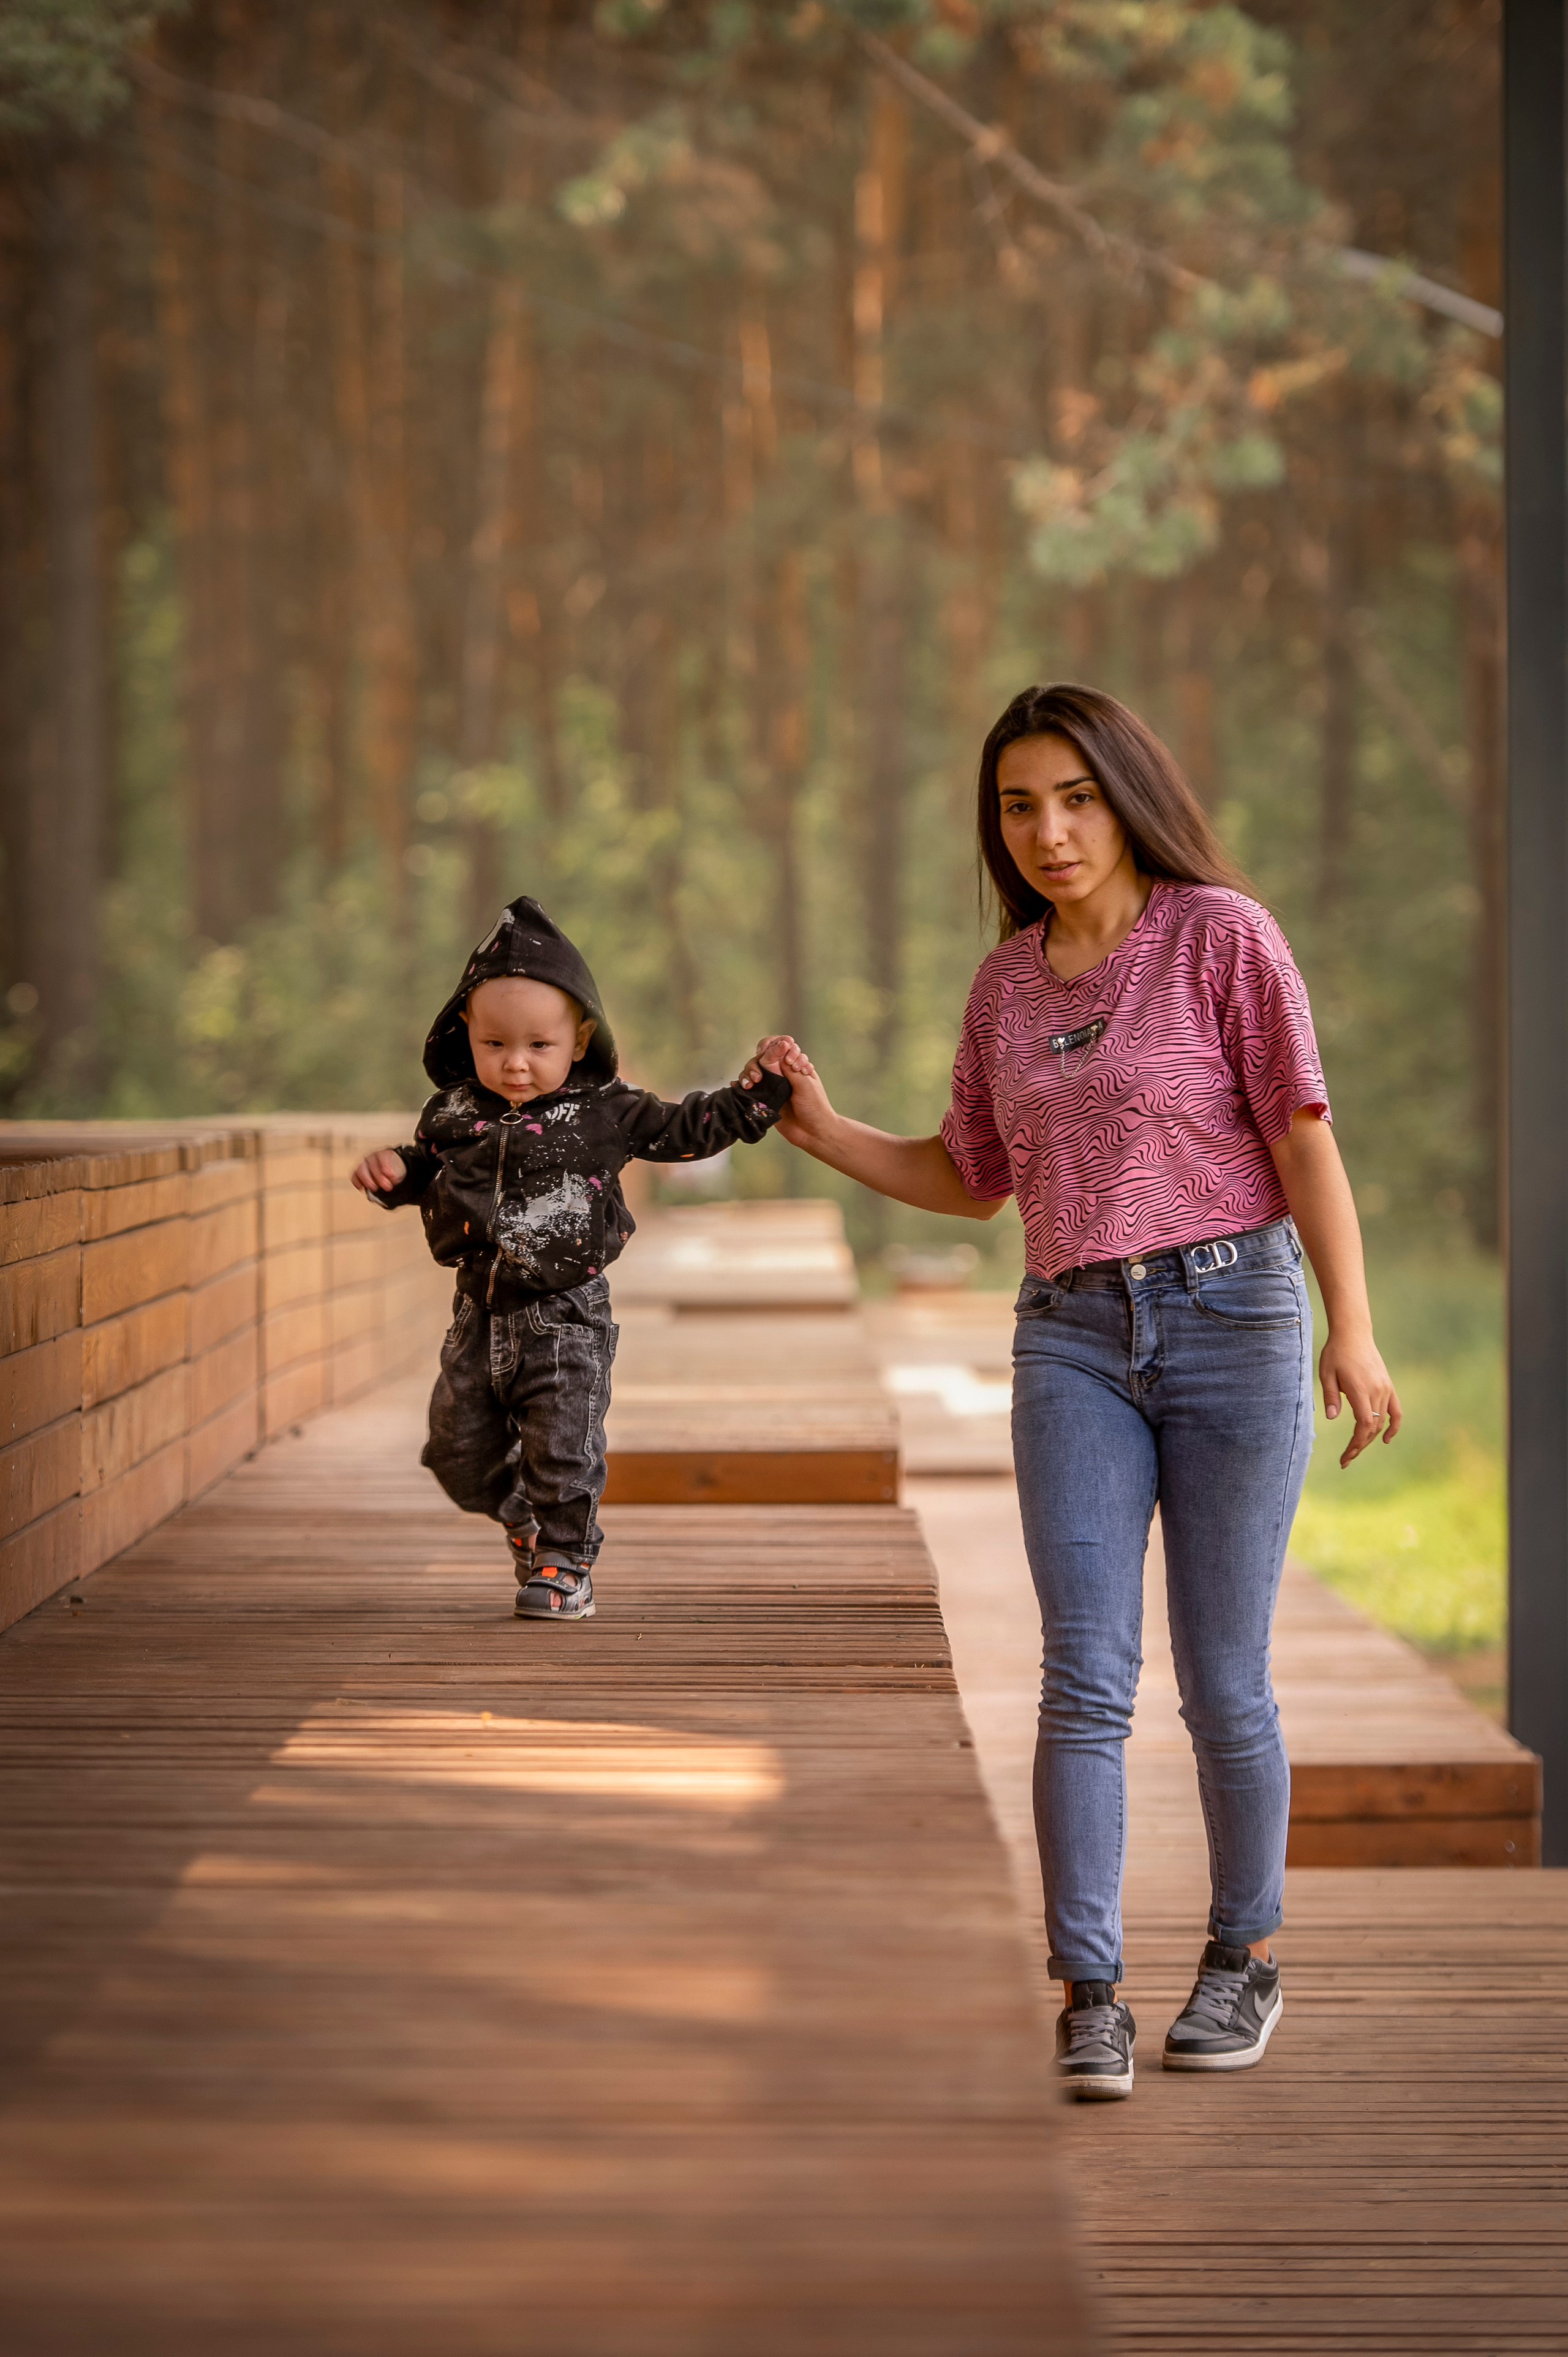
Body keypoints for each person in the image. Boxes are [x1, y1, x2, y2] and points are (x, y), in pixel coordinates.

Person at [764, 683, 1401, 2101]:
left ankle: (1240, 1955)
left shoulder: (1219, 937)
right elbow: (968, 1175)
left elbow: (1302, 1139)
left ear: (1123, 795)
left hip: (1233, 1314)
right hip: (1067, 1335)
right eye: (1015, 805)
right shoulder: (1004, 984)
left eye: (1073, 796)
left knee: (1220, 1674)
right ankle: (1089, 1990)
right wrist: (821, 1131)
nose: (1046, 831)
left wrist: (1347, 1328)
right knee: (1082, 1673)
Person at [352, 896, 795, 1621]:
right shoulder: (455, 1113)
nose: (515, 1065)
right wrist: (396, 1176)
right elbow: (432, 1171)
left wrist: (761, 1090)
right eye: (494, 1045)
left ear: (580, 1036)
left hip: (564, 1314)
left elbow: (689, 1130)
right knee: (455, 1451)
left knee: (563, 1443)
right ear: (465, 1033)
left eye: (538, 1046)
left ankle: (565, 1561)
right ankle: (520, 1515)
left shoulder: (606, 1110)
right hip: (476, 1313)